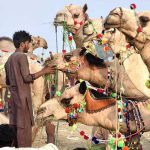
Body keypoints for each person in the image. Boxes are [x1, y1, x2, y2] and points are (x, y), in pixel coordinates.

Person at [4, 31, 56, 147]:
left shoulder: (9, 60)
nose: (29, 46)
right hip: (23, 101)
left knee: (15, 127)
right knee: (24, 129)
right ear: (23, 44)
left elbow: (8, 82)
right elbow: (27, 77)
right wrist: (44, 71)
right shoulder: (22, 57)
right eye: (28, 43)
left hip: (13, 100)